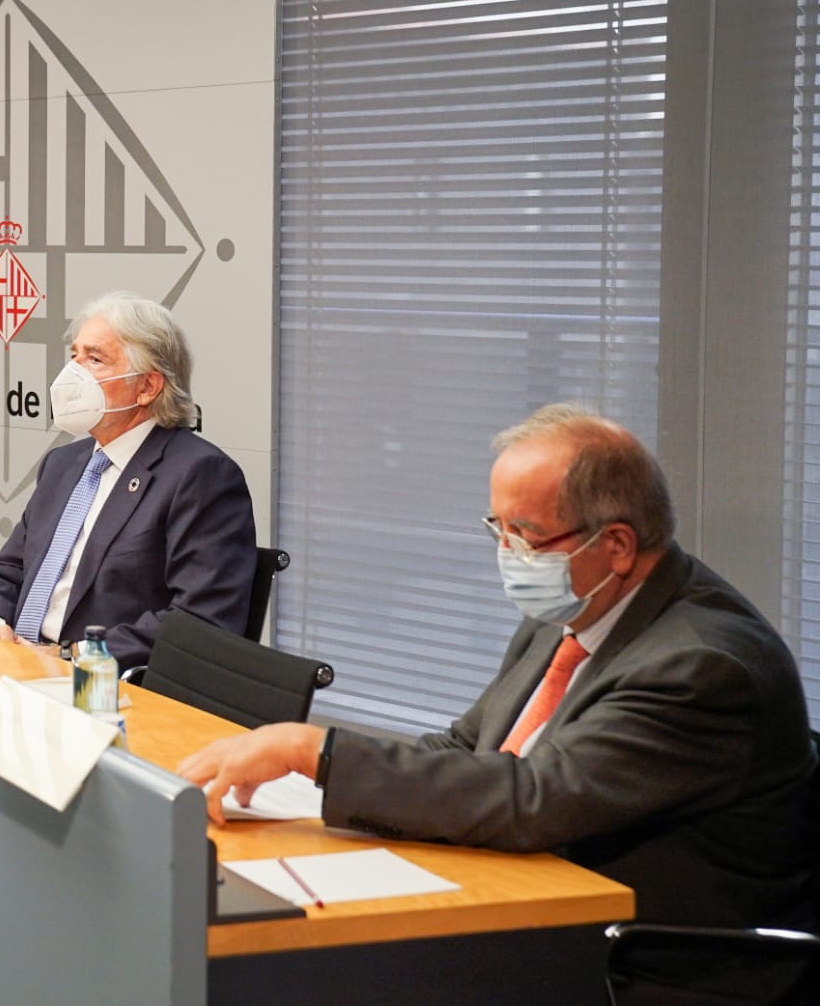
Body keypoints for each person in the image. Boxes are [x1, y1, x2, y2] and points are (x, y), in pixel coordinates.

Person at [178, 405, 815, 1004]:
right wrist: (313, 780)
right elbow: (467, 747)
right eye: (498, 529)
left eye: (526, 535)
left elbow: (534, 798)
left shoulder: (701, 667)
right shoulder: (574, 607)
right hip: (535, 902)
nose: (508, 555)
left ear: (617, 544)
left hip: (653, 966)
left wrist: (314, 751)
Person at [0, 292, 256, 673]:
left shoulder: (200, 475)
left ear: (147, 387)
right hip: (17, 666)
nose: (74, 374)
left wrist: (73, 656)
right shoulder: (63, 464)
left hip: (102, 684)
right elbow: (4, 571)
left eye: (95, 359)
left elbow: (201, 620)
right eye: (75, 356)